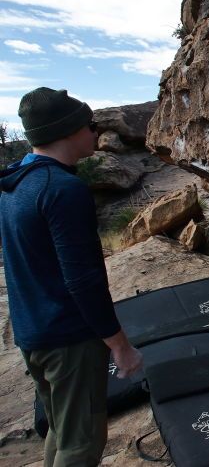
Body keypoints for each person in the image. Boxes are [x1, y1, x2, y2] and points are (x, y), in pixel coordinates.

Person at [0, 87, 143, 467]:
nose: (97, 132)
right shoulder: (63, 190)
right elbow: (84, 280)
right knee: (82, 443)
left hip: (33, 334)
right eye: (91, 125)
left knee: (61, 429)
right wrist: (120, 345)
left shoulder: (15, 183)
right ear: (68, 130)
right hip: (69, 341)